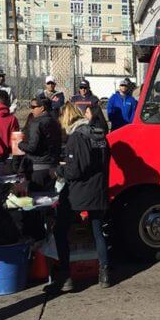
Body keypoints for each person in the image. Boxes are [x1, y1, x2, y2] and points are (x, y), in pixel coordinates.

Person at [49, 102, 110, 291]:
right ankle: (105, 273)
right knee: (98, 231)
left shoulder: (77, 136)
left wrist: (59, 170)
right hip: (99, 189)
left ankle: (65, 276)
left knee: (60, 230)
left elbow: (75, 170)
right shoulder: (99, 133)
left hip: (79, 192)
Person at [18, 97, 61, 191]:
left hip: (38, 168)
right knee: (49, 198)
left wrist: (20, 144)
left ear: (42, 108)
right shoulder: (56, 122)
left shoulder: (36, 123)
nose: (31, 110)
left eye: (33, 107)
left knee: (37, 199)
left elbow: (32, 147)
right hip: (52, 167)